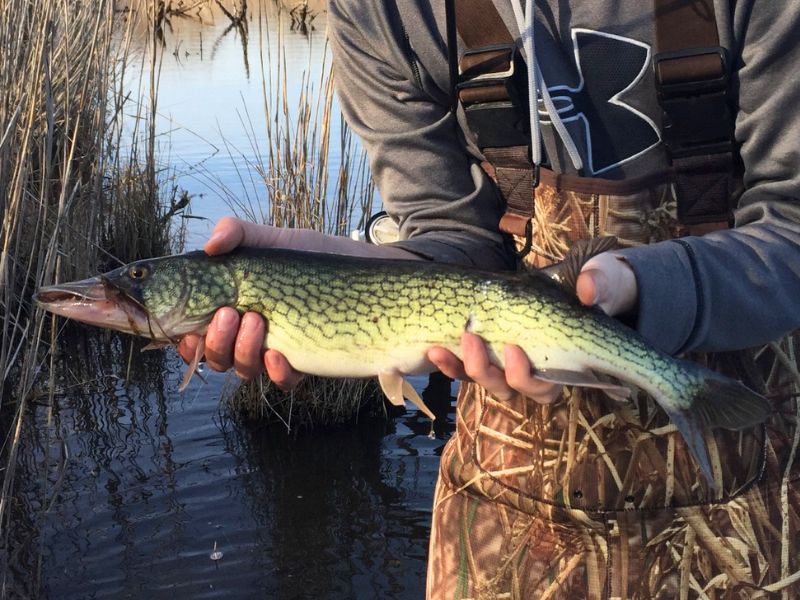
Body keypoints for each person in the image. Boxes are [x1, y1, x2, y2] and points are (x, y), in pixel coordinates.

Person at [180, 1, 800, 597]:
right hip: (506, 513)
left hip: (756, 514)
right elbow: (452, 233)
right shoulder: (386, 11)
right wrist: (342, 271)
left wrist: (648, 289)